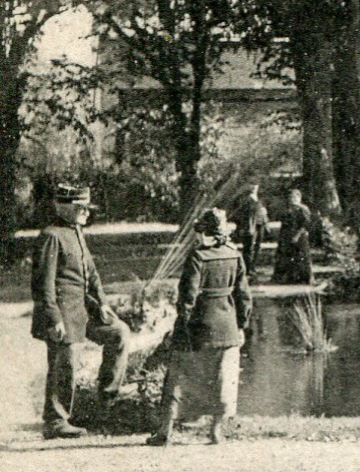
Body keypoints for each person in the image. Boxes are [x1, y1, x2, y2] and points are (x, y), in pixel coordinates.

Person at [31, 183, 131, 439]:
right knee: (65, 364)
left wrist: (104, 303)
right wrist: (53, 318)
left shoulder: (75, 232)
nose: (86, 213)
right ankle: (56, 421)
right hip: (63, 315)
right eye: (81, 208)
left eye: (87, 208)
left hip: (85, 311)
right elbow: (43, 283)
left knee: (119, 333)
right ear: (63, 208)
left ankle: (107, 402)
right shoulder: (52, 235)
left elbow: (91, 273)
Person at [147, 208, 251, 446]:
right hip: (227, 327)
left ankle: (165, 431)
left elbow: (187, 296)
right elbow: (244, 297)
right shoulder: (235, 256)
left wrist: (181, 324)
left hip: (198, 326)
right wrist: (241, 325)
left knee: (177, 377)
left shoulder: (198, 257)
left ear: (204, 232)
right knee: (223, 378)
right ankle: (215, 431)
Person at [272, 187, 314, 284]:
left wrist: (297, 236)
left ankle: (304, 278)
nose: (292, 199)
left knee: (302, 256)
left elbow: (305, 224)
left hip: (300, 236)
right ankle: (289, 278)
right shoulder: (288, 209)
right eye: (290, 197)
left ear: (299, 198)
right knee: (287, 256)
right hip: (287, 235)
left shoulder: (303, 209)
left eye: (294, 197)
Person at [229, 184, 270, 283]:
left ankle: (253, 267)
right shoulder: (243, 199)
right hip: (250, 227)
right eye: (251, 184)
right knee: (249, 248)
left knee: (257, 247)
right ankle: (247, 269)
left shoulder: (260, 198)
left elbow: (264, 212)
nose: (254, 187)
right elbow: (237, 214)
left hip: (260, 225)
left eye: (256, 185)